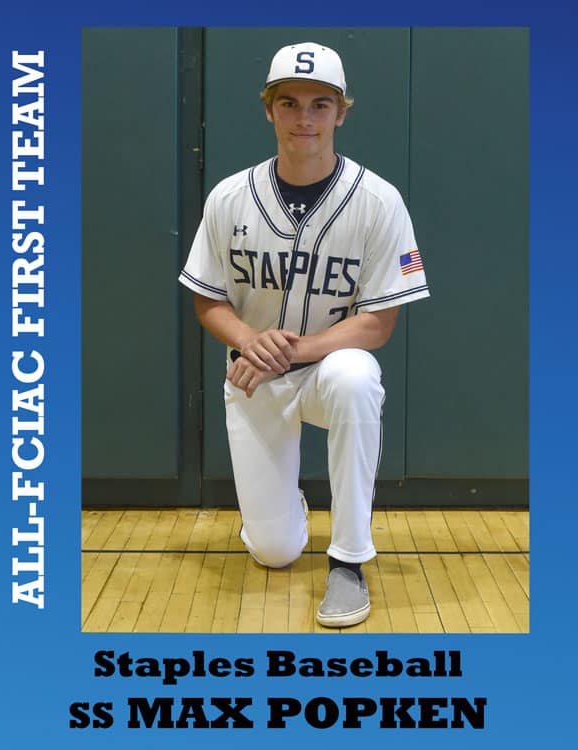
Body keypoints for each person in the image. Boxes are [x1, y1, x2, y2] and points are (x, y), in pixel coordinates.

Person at [179, 42, 429, 627]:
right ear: (269, 110)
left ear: (341, 112)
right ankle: (277, 509)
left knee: (355, 377)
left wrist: (291, 349)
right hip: (253, 378)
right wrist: (249, 338)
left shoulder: (378, 200)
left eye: (321, 104)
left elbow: (379, 321)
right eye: (289, 102)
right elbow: (207, 299)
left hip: (326, 369)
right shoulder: (229, 197)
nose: (305, 118)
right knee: (275, 552)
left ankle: (349, 559)